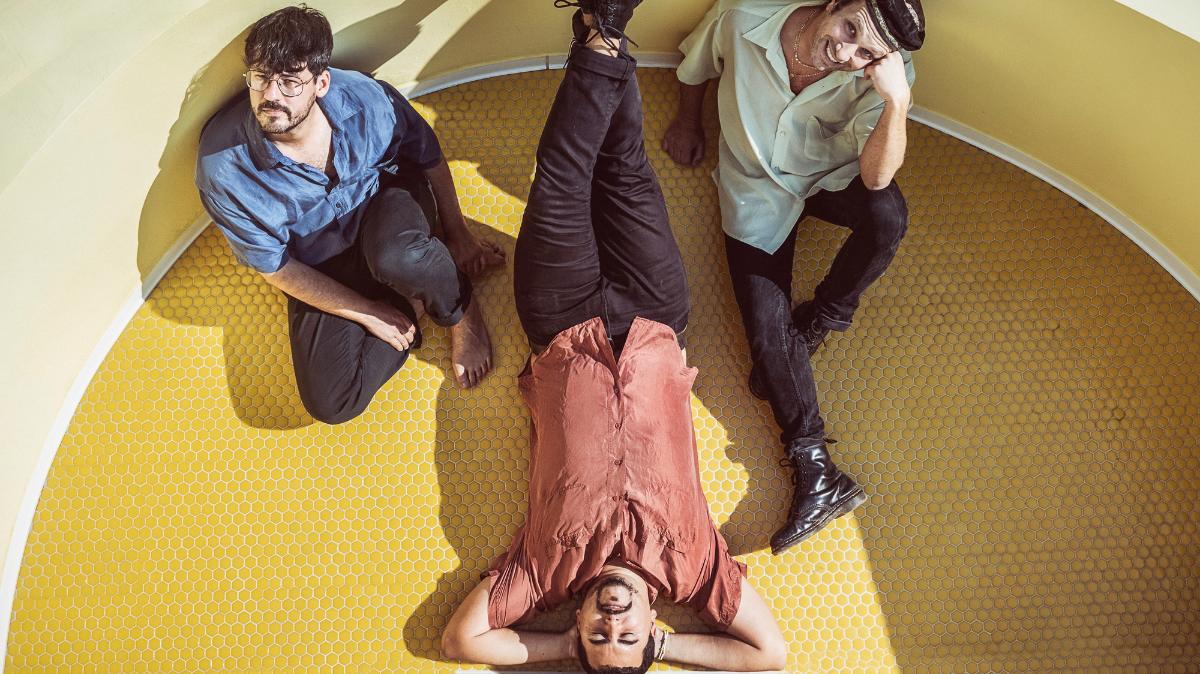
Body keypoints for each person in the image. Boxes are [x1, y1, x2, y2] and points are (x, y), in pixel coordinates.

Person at [440, 3, 787, 672]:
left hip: (559, 322)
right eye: (629, 639)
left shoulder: (542, 573)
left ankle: (604, 31)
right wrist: (666, 650)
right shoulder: (697, 571)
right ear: (654, 625)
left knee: (563, 173)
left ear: (578, 623)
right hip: (656, 320)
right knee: (625, 167)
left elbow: (462, 641)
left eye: (597, 638)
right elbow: (769, 656)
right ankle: (603, 30)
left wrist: (561, 650)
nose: (612, 625)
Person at [661, 0, 925, 554]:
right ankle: (819, 472)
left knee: (888, 215)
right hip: (755, 189)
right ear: (834, 3)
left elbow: (877, 178)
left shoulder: (884, 75)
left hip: (830, 178)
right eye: (849, 28)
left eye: (867, 53)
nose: (846, 53)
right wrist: (687, 121)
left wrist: (896, 102)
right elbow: (694, 67)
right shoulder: (742, 17)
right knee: (766, 339)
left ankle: (824, 315)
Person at [195, 5, 505, 425]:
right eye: (261, 77)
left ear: (321, 83)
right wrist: (369, 312)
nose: (271, 96)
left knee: (398, 256)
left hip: (385, 200)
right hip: (320, 258)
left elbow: (426, 153)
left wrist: (458, 232)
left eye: (290, 82)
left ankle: (461, 311)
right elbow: (276, 267)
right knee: (331, 401)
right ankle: (418, 295)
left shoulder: (364, 99)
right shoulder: (223, 171)